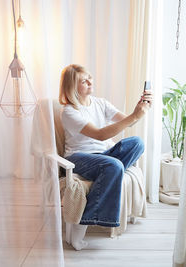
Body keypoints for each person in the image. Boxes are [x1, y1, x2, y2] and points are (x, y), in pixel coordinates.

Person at [59, 64, 153, 250]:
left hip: (103, 156)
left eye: (90, 77)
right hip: (79, 157)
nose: (89, 82)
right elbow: (101, 135)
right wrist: (134, 116)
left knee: (137, 143)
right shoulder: (69, 112)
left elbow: (125, 120)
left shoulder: (100, 103)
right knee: (114, 166)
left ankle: (107, 173)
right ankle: (83, 222)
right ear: (71, 87)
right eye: (83, 81)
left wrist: (141, 109)